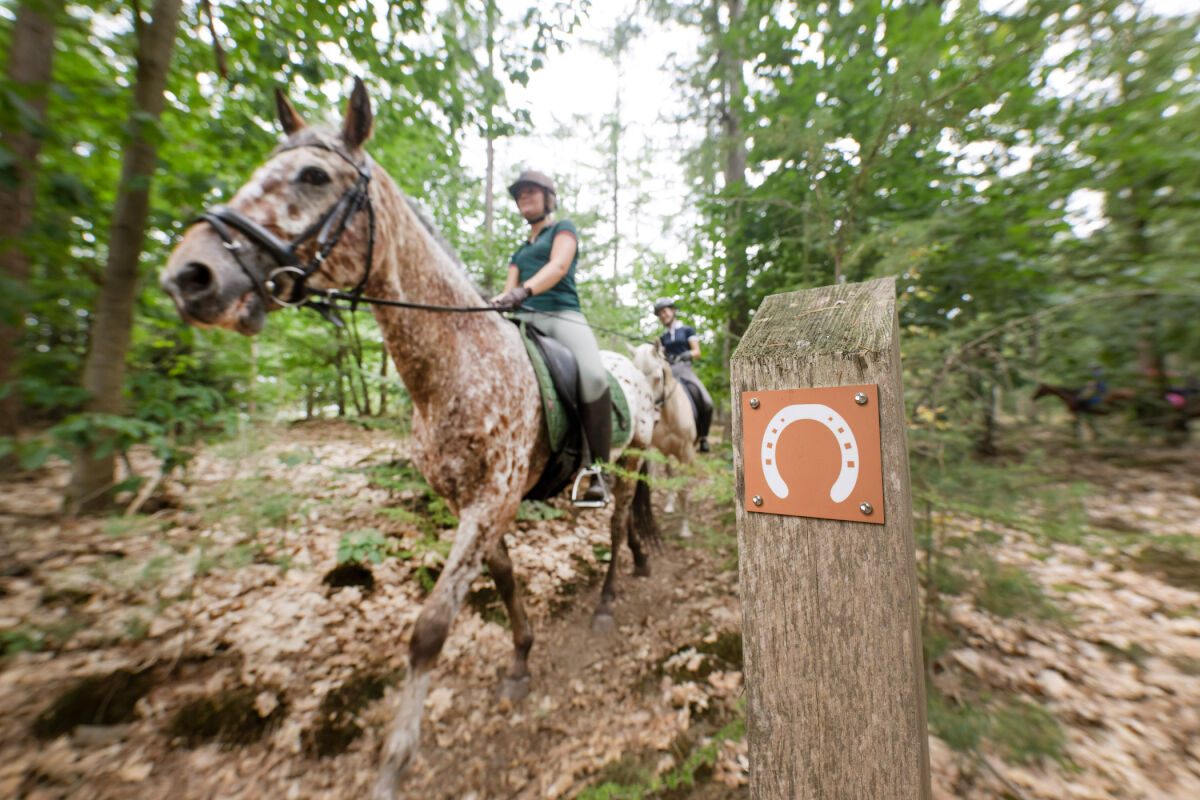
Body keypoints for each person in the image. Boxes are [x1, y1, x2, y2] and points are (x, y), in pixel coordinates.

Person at [492, 169, 612, 506]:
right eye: (520, 194)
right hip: (522, 319)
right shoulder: (519, 251)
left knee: (592, 375)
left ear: (548, 198)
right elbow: (506, 291)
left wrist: (523, 291)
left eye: (531, 191)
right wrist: (489, 304)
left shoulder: (563, 228)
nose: (524, 198)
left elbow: (559, 267)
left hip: (561, 315)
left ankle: (598, 471)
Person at [653, 298, 713, 453]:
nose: (663, 316)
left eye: (665, 311)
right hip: (670, 372)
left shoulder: (687, 330)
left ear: (672, 311)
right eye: (660, 314)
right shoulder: (663, 338)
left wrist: (686, 355)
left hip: (686, 370)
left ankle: (703, 438)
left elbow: (697, 352)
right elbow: (661, 356)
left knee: (707, 402)